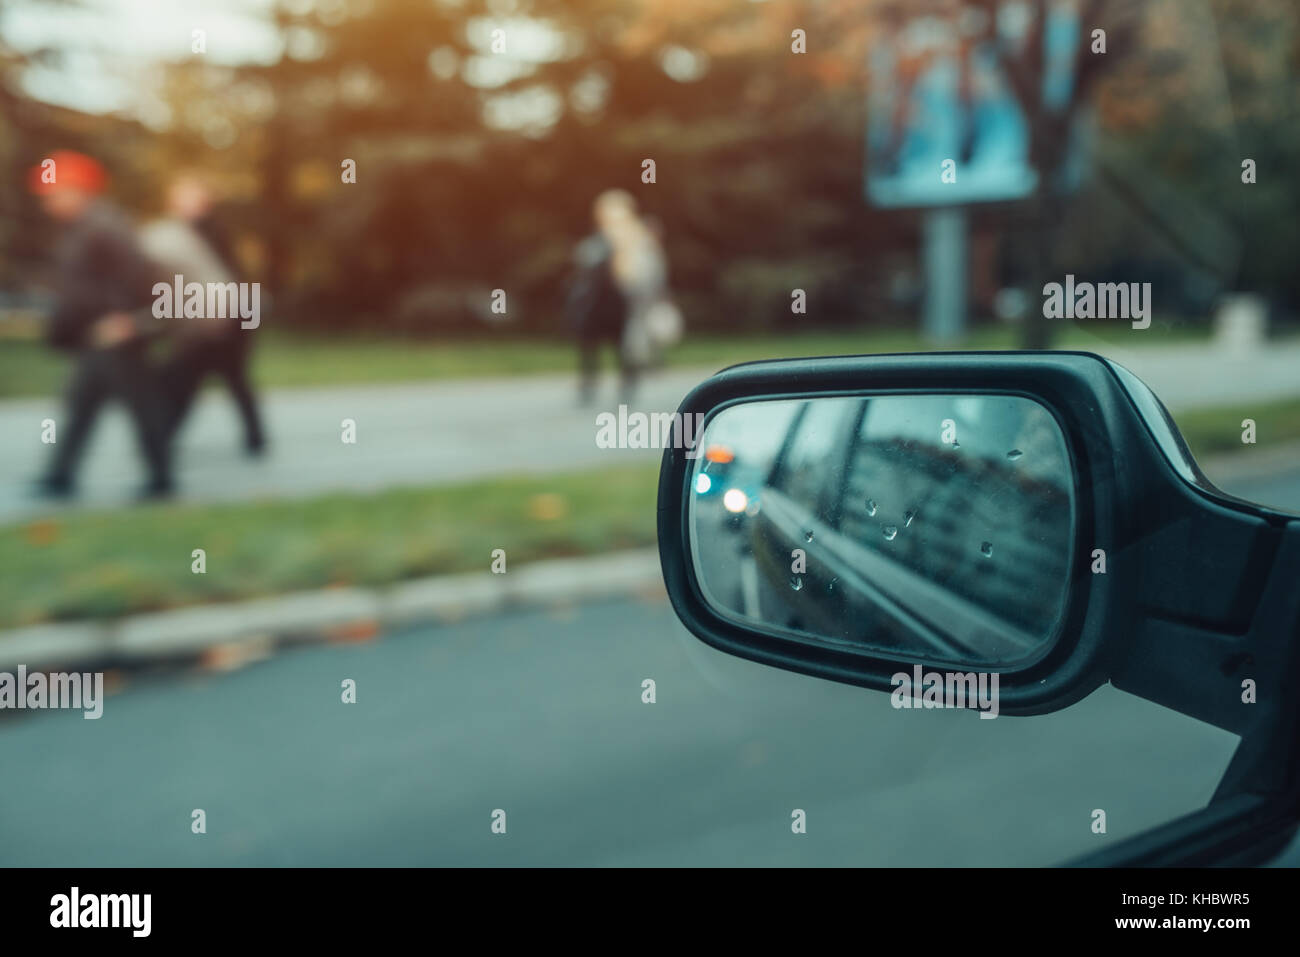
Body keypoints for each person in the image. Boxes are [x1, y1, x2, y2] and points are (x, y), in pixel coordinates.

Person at [29, 151, 174, 500]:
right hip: (93, 335)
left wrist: (129, 320)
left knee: (140, 405)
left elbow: (140, 273)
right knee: (81, 404)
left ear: (77, 190)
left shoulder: (106, 226)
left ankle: (161, 478)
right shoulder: (82, 227)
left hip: (115, 335)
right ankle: (60, 475)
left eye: (54, 194)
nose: (48, 203)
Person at [142, 173, 266, 454]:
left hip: (228, 314)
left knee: (217, 376)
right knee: (205, 377)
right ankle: (254, 437)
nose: (180, 203)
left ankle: (165, 436)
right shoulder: (180, 231)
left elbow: (220, 276)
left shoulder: (209, 230)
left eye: (188, 197)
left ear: (203, 200)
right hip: (209, 315)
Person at [567, 190, 672, 406]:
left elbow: (651, 277)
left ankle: (627, 388)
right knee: (589, 347)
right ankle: (588, 385)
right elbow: (584, 267)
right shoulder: (597, 242)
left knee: (625, 349)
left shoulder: (640, 241)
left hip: (625, 306)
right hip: (596, 306)